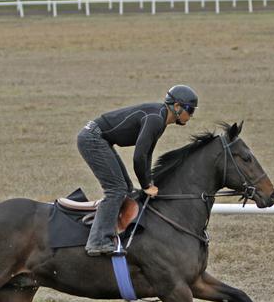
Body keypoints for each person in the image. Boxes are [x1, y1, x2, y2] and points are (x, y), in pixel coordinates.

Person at [77, 85, 198, 256]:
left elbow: (147, 154)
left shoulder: (160, 119)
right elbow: (138, 157)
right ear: (177, 106)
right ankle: (97, 241)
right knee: (116, 190)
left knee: (125, 188)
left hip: (100, 139)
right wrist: (146, 185)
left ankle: (113, 229)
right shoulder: (156, 119)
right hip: (92, 138)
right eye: (190, 110)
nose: (192, 115)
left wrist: (148, 183)